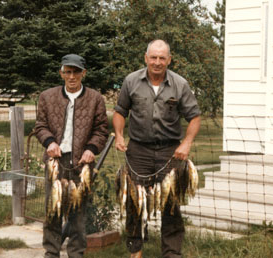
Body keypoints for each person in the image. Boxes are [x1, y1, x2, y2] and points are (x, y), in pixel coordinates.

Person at [113, 39, 201, 258]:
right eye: (153, 57)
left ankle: (171, 253)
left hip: (170, 153)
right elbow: (120, 111)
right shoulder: (131, 81)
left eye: (162, 58)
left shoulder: (180, 84)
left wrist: (186, 143)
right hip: (138, 151)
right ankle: (136, 250)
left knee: (171, 204)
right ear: (146, 58)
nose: (157, 62)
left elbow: (195, 117)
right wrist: (119, 135)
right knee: (136, 201)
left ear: (169, 60)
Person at [35, 54, 109, 258]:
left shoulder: (95, 98)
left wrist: (91, 149)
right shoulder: (47, 97)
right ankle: (51, 252)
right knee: (53, 209)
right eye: (68, 71)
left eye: (76, 72)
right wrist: (49, 142)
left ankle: (76, 253)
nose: (72, 76)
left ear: (84, 73)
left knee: (78, 212)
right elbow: (40, 125)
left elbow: (102, 130)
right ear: (61, 73)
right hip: (56, 162)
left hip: (81, 163)